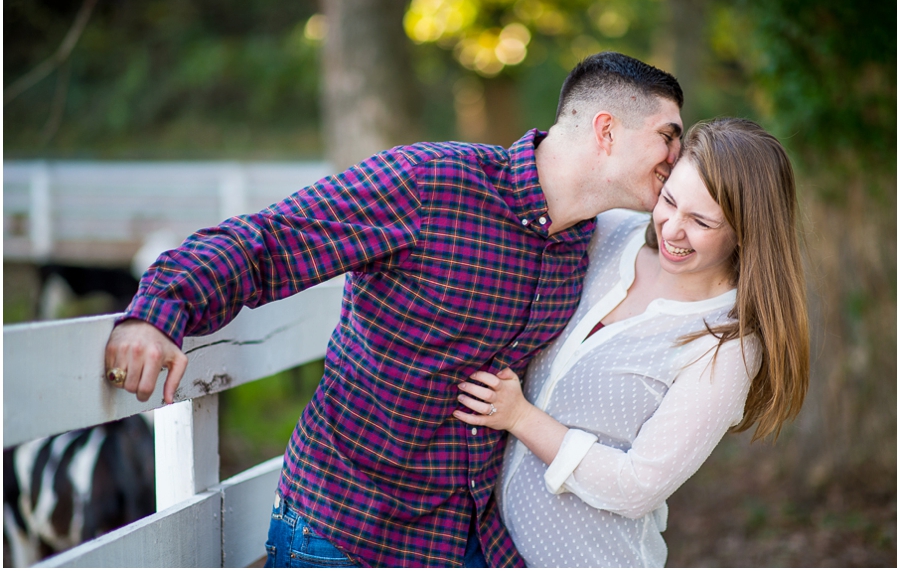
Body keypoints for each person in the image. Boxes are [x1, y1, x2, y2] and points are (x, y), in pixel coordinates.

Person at [103, 52, 684, 567]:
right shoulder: (431, 182)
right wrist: (157, 310)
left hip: (465, 539)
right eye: (668, 136)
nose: (677, 158)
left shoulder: (590, 243)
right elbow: (271, 240)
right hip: (344, 536)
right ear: (606, 130)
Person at [454, 117, 810, 567]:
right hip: (485, 548)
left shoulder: (728, 343)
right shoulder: (608, 233)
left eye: (700, 221)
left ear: (746, 232)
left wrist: (519, 417)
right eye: (669, 200)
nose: (672, 229)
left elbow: (637, 485)